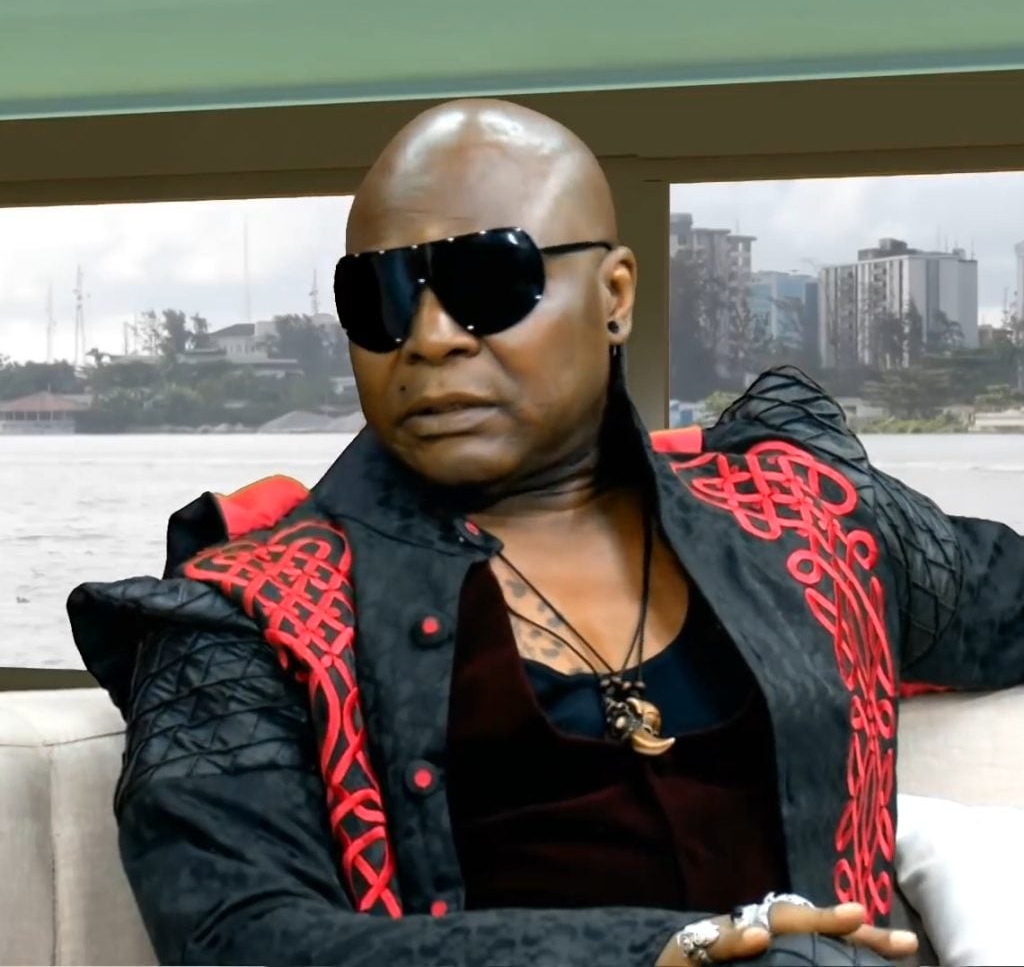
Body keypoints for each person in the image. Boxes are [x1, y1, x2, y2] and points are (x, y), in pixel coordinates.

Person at [69, 99, 1024, 967]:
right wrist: (670, 953)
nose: (431, 336)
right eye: (382, 297)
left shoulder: (808, 519)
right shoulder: (250, 620)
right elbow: (238, 937)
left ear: (615, 296)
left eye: (489, 277)